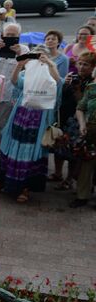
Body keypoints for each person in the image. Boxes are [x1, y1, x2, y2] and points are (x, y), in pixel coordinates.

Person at [0, 49, 61, 202]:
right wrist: (19, 65)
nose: (38, 58)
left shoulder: (49, 73)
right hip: (20, 116)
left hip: (39, 120)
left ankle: (25, 188)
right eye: (35, 55)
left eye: (41, 55)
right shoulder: (27, 73)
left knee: (31, 152)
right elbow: (15, 82)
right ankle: (5, 184)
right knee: (13, 148)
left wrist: (49, 63)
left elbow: (58, 82)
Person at [52, 53, 95, 191]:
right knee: (59, 147)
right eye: (80, 63)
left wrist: (77, 89)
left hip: (79, 121)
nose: (81, 67)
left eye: (86, 64)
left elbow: (83, 104)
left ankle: (69, 178)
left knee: (73, 151)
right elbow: (60, 95)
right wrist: (65, 83)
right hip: (65, 116)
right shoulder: (71, 77)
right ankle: (58, 173)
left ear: (93, 67)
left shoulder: (92, 82)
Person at [0, 23, 28, 144]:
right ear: (3, 35)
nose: (10, 37)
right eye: (7, 35)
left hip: (9, 94)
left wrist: (19, 54)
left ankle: (0, 150)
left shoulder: (24, 49)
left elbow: (27, 69)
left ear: (19, 36)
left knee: (2, 123)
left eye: (13, 35)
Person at [71, 73, 96, 208]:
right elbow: (80, 108)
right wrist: (82, 124)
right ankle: (82, 196)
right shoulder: (91, 88)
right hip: (91, 129)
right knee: (86, 163)